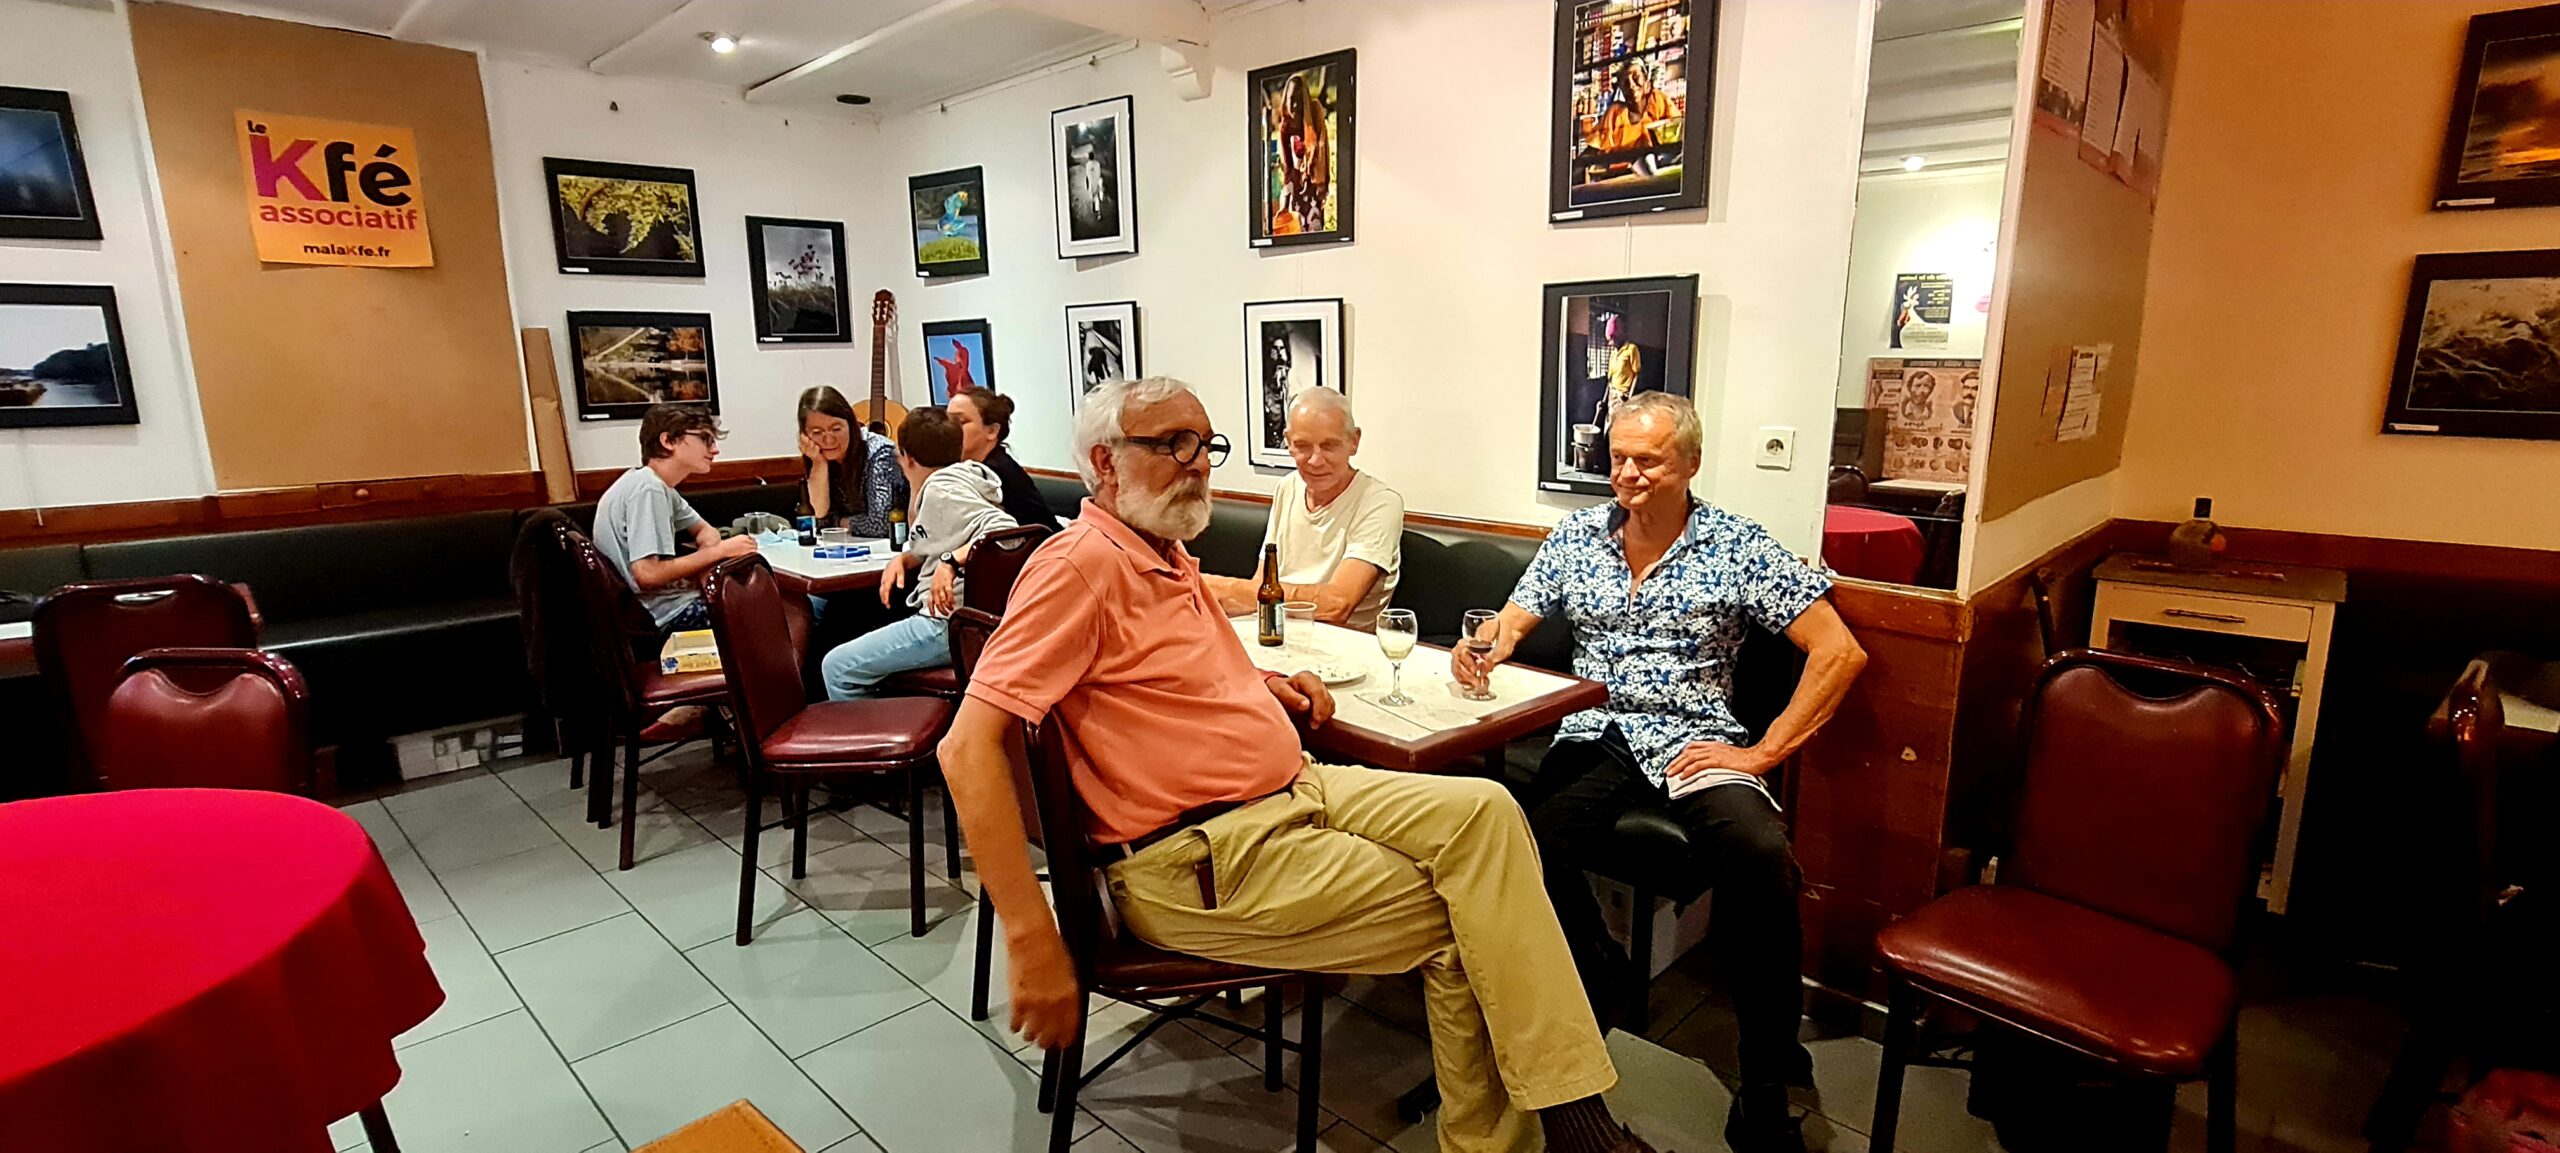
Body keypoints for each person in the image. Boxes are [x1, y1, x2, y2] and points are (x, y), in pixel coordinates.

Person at [937, 376, 1661, 1153]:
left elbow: (1169, 676)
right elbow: (966, 747)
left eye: (1204, 444)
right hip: (1203, 853)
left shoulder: (1163, 554)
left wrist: (1265, 686)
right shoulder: (1078, 567)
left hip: (1291, 789)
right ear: (1106, 463)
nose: (1197, 462)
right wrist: (1032, 938)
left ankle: (1562, 1113)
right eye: (1172, 444)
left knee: (1489, 809)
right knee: (1472, 916)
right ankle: (1564, 1127)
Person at [1454, 392, 1867, 1153]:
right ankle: (1599, 969)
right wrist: (1485, 644)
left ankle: (1767, 1076)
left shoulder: (1737, 544)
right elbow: (1513, 619)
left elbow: (1839, 651)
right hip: (1595, 728)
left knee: (1763, 858)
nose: (1628, 474)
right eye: (1618, 458)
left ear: (1690, 464)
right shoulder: (1576, 536)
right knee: (1526, 844)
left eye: (1648, 459)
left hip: (1696, 738)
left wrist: (1761, 753)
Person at [819, 406, 1015, 700]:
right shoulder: (960, 478)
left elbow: (1004, 530)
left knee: (837, 667)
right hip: (968, 621)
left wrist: (949, 563)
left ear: (906, 457)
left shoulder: (942, 490)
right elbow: (940, 538)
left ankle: (875, 731)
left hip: (948, 624)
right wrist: (905, 558)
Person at [1204, 387, 1404, 629]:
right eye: (1302, 446)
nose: (1315, 460)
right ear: (1288, 443)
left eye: (1329, 445)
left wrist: (1227, 588)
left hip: (1339, 641)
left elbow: (1338, 604)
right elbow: (1261, 584)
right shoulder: (1287, 487)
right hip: (1278, 632)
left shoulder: (1380, 502)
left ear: (1354, 441)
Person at [592, 404, 759, 636]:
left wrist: (707, 559)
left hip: (663, 607)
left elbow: (705, 530)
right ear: (668, 441)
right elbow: (647, 574)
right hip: (662, 616)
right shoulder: (648, 489)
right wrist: (719, 552)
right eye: (705, 439)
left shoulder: (656, 485)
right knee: (769, 612)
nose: (715, 450)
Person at [948, 390, 1063, 534]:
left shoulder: (994, 473)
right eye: (947, 421)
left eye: (960, 422)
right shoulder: (962, 469)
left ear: (992, 431)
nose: (948, 428)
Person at [796, 386, 901, 539]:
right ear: (805, 435)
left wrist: (836, 523)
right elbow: (818, 517)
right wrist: (819, 463)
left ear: (851, 426)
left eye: (836, 429)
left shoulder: (879, 452)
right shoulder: (816, 456)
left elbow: (880, 524)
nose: (828, 440)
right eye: (817, 432)